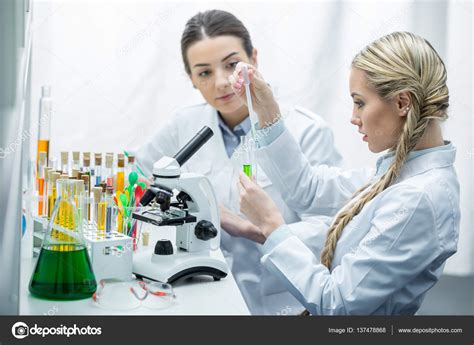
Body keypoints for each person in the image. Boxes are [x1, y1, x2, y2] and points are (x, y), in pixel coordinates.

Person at [228, 32, 460, 315]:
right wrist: (266, 108)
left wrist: (273, 227)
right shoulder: (400, 172)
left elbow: (335, 304)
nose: (353, 117)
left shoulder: (417, 199)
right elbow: (310, 191)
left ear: (402, 103)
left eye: (360, 102)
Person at [131, 10, 343, 314]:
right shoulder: (182, 126)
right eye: (204, 72)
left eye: (231, 65)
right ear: (191, 78)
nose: (220, 83)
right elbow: (140, 178)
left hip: (281, 302)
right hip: (199, 295)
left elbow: (331, 229)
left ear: (253, 59)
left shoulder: (307, 131)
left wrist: (256, 230)